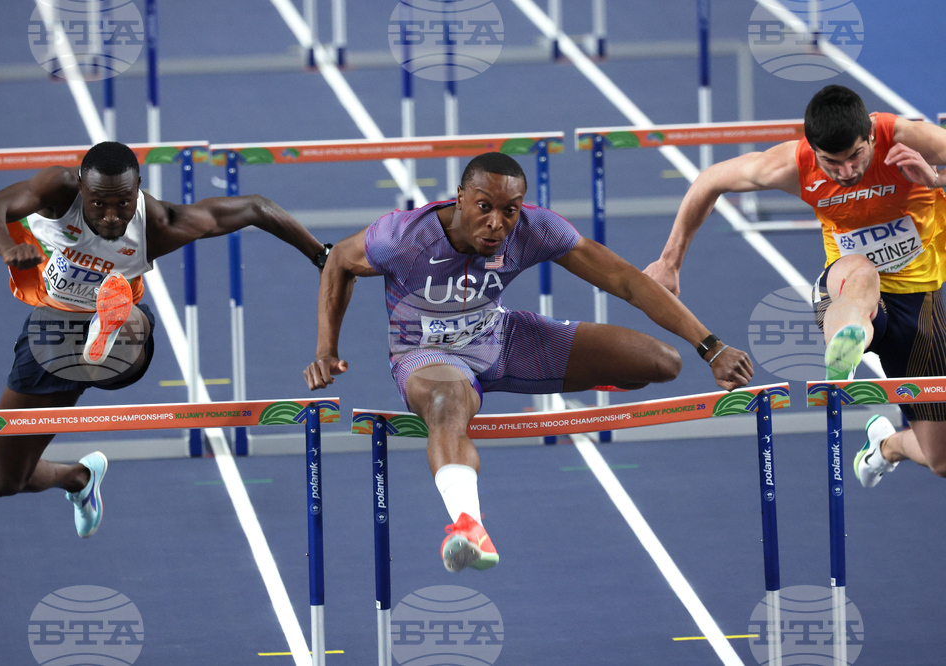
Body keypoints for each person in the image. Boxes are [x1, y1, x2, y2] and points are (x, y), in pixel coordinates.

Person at [303, 152, 753, 572]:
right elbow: (338, 260)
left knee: (660, 363)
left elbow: (626, 281)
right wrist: (326, 349)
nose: (496, 224)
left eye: (509, 210)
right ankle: (467, 526)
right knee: (447, 403)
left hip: (501, 338)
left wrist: (710, 346)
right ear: (459, 199)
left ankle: (582, 376)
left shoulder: (535, 229)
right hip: (426, 356)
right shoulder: (403, 238)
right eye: (483, 207)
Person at [0, 141, 330, 538]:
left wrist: (320, 257)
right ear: (80, 189)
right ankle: (80, 479)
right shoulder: (57, 190)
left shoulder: (157, 223)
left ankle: (106, 327)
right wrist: (6, 247)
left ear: (138, 187)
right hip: (50, 334)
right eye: (99, 205)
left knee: (126, 330)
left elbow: (254, 208)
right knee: (4, 482)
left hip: (125, 336)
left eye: (123, 203)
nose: (111, 217)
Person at [644, 85, 946, 489]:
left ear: (871, 136)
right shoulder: (793, 164)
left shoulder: (906, 138)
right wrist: (669, 261)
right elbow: (710, 180)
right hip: (845, 290)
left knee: (940, 460)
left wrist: (936, 180)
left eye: (855, 156)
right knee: (862, 272)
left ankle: (884, 447)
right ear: (813, 150)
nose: (846, 172)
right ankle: (845, 349)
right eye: (831, 163)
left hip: (919, 303)